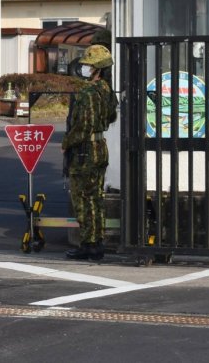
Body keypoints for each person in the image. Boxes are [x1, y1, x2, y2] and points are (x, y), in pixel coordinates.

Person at [61, 44, 118, 261]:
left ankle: (88, 244)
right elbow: (111, 117)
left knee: (82, 199)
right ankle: (97, 243)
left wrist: (66, 142)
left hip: (85, 151)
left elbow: (82, 126)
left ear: (96, 68)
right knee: (96, 198)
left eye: (88, 65)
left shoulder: (87, 92)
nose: (84, 68)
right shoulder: (107, 90)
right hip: (100, 147)